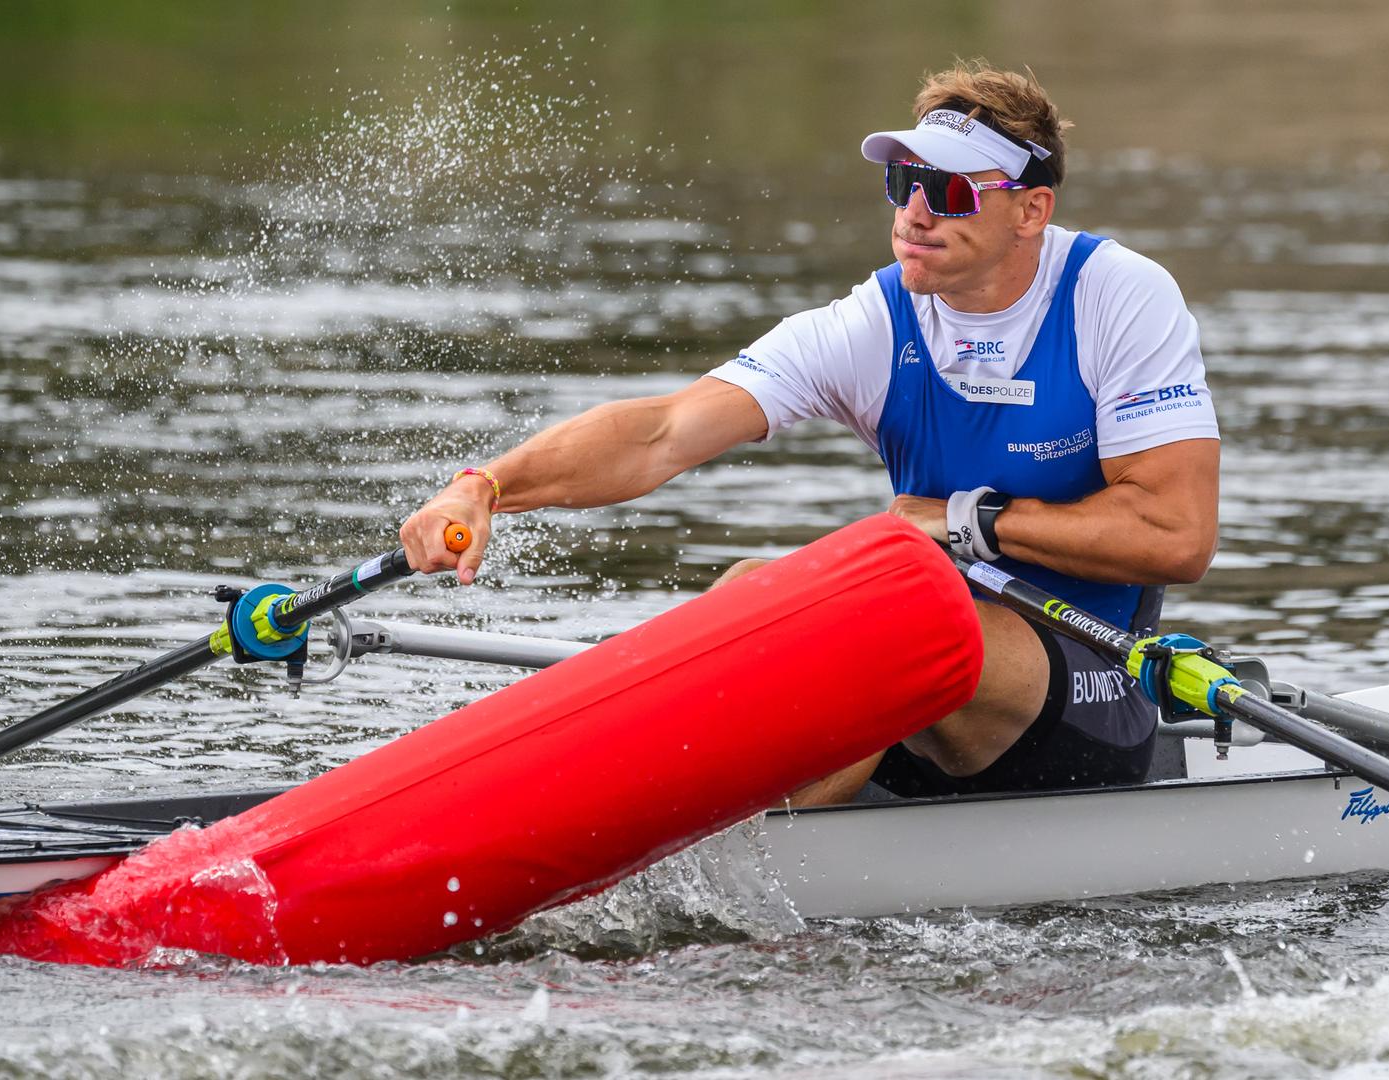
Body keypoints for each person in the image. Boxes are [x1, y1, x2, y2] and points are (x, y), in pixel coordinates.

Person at [399, 61, 1220, 805]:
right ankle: (621, 809)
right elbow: (662, 431)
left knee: (878, 624)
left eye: (954, 192)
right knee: (753, 592)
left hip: (1093, 688)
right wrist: (489, 486)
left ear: (1031, 211)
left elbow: (1177, 537)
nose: (917, 212)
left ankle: (703, 862)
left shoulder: (1114, 297)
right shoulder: (878, 319)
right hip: (912, 691)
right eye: (904, 181)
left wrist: (967, 519)